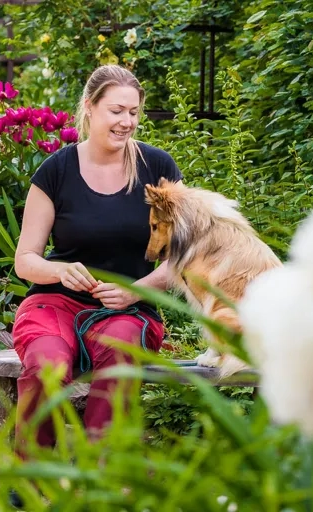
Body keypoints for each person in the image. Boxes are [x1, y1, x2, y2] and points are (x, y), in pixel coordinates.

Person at [11, 65, 184, 469]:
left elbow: (180, 259)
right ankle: (30, 476)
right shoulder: (56, 171)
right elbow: (25, 260)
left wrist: (135, 291)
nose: (127, 122)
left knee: (119, 359)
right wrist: (60, 271)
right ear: (89, 107)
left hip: (129, 310)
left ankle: (97, 477)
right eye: (116, 111)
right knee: (47, 365)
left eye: (134, 112)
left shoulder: (158, 169)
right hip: (55, 305)